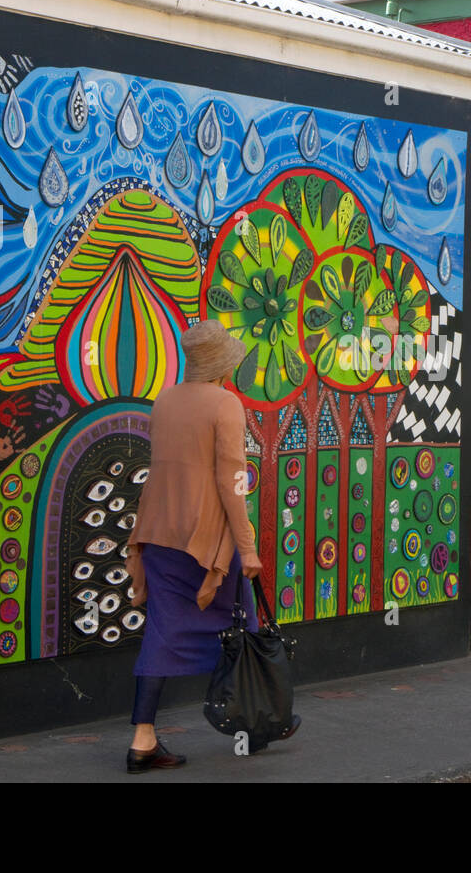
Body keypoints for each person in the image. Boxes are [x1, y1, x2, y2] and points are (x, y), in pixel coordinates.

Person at [122, 319, 300, 772]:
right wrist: (247, 548)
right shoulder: (226, 405)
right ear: (226, 365)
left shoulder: (164, 400)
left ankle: (143, 738)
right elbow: (232, 482)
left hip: (159, 534)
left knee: (163, 632)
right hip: (206, 543)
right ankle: (260, 721)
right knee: (245, 623)